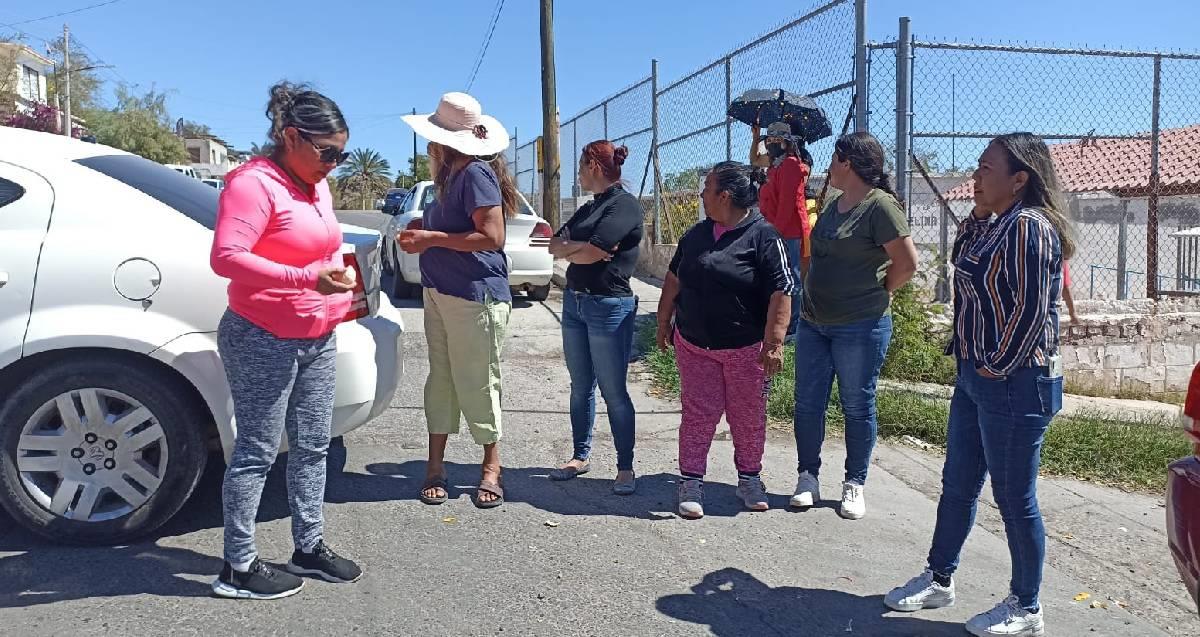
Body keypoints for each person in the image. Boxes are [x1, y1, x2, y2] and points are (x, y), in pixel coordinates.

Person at [884, 133, 1071, 637]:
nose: (976, 176)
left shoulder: (1030, 228)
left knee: (1015, 499)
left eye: (986, 169)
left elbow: (1033, 310)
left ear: (1019, 179)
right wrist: (976, 215)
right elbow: (968, 271)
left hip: (1015, 379)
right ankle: (939, 578)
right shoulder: (992, 224)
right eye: (978, 167)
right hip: (977, 376)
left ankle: (1027, 607)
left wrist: (996, 363)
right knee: (958, 485)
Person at [209, 82, 362, 600]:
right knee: (255, 451)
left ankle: (308, 545)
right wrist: (306, 281)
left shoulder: (315, 183)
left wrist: (340, 293)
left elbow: (323, 248)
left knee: (315, 447)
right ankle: (238, 565)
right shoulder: (253, 183)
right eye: (328, 152)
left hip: (316, 337)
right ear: (291, 136)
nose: (335, 164)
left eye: (341, 153)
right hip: (263, 336)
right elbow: (227, 257)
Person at [399, 92, 518, 510]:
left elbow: (492, 236)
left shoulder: (474, 174)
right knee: (442, 381)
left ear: (441, 143)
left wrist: (431, 238)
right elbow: (458, 229)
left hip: (474, 297)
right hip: (440, 293)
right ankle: (436, 467)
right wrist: (426, 224)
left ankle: (491, 468)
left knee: (478, 382)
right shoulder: (450, 179)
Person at [791, 132, 919, 520]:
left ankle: (854, 483)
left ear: (848, 162)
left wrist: (881, 292)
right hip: (815, 322)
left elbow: (907, 263)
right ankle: (807, 477)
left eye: (834, 159)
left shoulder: (880, 207)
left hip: (859, 326)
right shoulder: (833, 205)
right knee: (807, 403)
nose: (829, 165)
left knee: (857, 405)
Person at [656, 161, 794, 519]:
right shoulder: (696, 234)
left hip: (745, 349)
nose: (702, 194)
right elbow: (674, 278)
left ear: (725, 195)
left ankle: (749, 479)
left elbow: (783, 288)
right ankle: (690, 481)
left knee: (747, 416)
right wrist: (662, 320)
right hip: (694, 344)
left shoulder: (764, 235)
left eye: (707, 188)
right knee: (698, 414)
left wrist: (775, 343)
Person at [548, 140, 645, 494]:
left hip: (607, 308)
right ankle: (580, 456)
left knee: (613, 390)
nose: (577, 174)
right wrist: (583, 249)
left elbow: (590, 253)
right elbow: (555, 244)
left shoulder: (625, 206)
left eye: (580, 167)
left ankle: (625, 467)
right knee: (580, 387)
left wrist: (584, 251)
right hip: (574, 304)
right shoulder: (593, 207)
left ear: (592, 166)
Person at [755, 121, 813, 337]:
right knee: (777, 278)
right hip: (774, 230)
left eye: (776, 139)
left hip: (788, 232)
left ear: (787, 143)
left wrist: (774, 235)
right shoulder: (774, 167)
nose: (771, 143)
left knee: (792, 278)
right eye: (769, 139)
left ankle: (794, 327)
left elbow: (787, 205)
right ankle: (781, 321)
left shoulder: (789, 165)